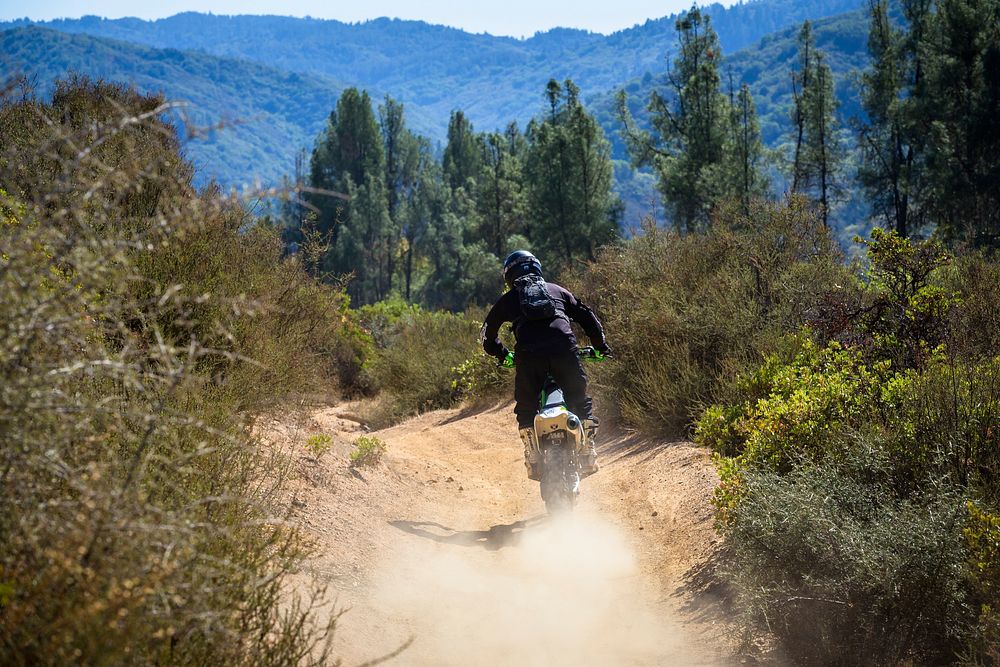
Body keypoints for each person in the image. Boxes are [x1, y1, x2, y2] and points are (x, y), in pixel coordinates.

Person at [480, 250, 611, 481]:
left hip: (529, 355)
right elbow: (588, 317)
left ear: (509, 277)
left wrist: (501, 354)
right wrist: (600, 346)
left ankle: (532, 450)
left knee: (526, 406)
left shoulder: (509, 300)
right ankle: (587, 448)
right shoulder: (557, 290)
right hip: (564, 349)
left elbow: (486, 336)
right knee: (579, 399)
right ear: (538, 269)